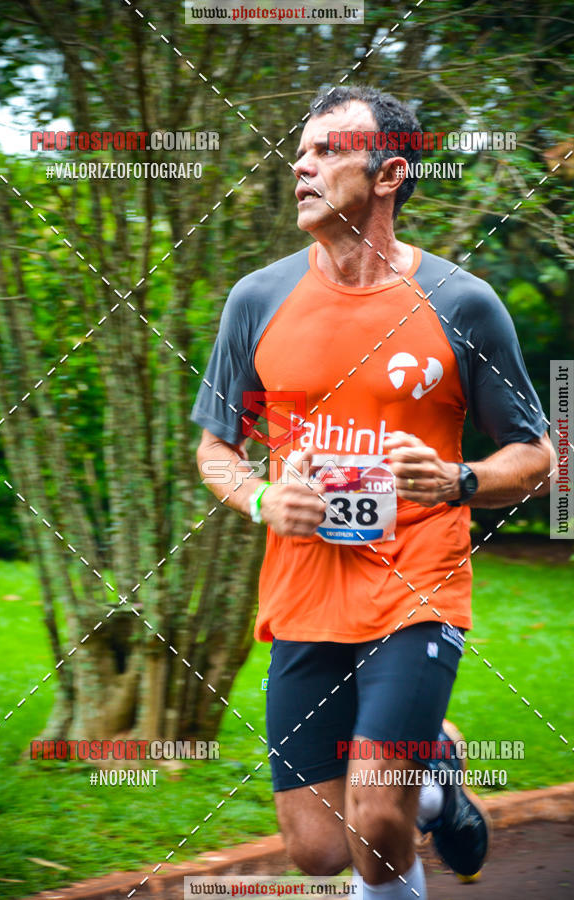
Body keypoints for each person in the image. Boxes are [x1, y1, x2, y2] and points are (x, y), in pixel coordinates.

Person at [192, 85, 554, 900]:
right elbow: (217, 449)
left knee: (376, 823)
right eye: (301, 150)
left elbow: (538, 456)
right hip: (304, 591)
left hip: (416, 587)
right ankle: (439, 774)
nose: (301, 164)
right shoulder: (258, 299)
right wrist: (260, 499)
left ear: (389, 173)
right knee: (317, 850)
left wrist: (460, 479)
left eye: (327, 150)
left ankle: (406, 795)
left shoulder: (461, 302)